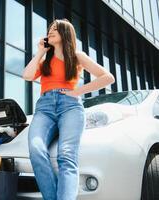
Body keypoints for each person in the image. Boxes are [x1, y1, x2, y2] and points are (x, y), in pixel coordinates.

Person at [22, 19, 115, 200]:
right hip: (45, 107)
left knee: (66, 154)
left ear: (66, 33)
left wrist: (77, 92)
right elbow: (26, 75)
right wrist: (40, 51)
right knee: (36, 149)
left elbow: (108, 77)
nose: (50, 31)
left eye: (55, 29)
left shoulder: (77, 56)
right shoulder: (45, 61)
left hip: (70, 106)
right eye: (49, 29)